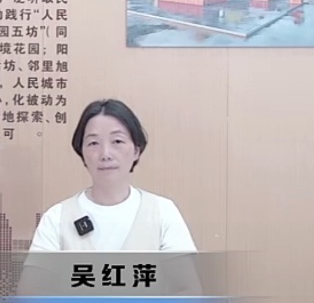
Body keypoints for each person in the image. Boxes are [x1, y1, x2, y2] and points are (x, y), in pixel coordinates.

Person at [29, 99, 196, 252]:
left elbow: (184, 275)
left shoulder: (162, 212)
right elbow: (37, 276)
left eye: (117, 141)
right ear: (82, 153)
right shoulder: (57, 218)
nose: (105, 154)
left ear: (136, 151)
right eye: (93, 143)